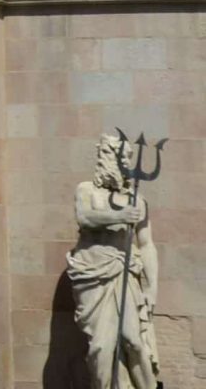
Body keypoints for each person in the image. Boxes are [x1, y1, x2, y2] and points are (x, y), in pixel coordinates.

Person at [68, 133, 162, 389]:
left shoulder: (137, 200)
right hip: (92, 274)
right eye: (115, 155)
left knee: (134, 341)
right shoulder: (86, 189)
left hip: (124, 273)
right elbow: (84, 217)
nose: (121, 162)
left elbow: (147, 245)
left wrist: (152, 287)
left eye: (125, 157)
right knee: (100, 347)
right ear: (103, 157)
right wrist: (118, 215)